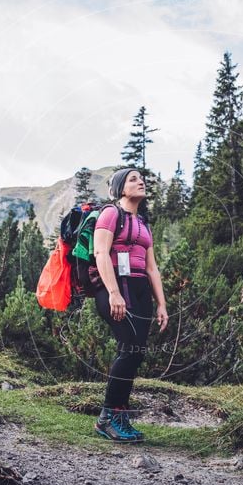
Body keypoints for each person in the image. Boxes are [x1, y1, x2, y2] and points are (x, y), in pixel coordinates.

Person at [92, 167, 169, 442]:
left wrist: (161, 304)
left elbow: (152, 268)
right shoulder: (111, 214)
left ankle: (117, 415)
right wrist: (113, 292)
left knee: (136, 353)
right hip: (114, 286)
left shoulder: (143, 223)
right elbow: (100, 252)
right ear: (120, 189)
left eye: (142, 178)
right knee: (128, 350)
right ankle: (108, 418)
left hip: (139, 290)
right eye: (133, 179)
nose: (141, 182)